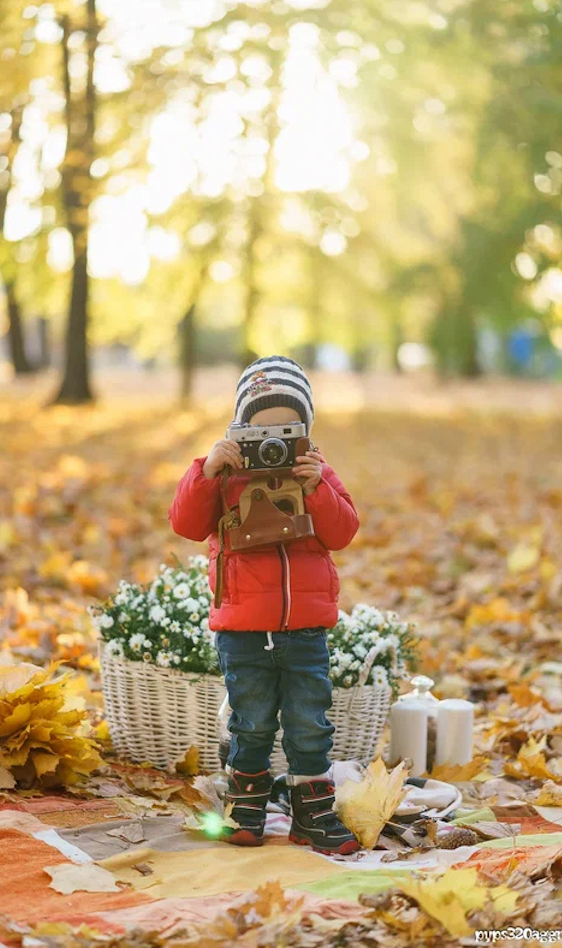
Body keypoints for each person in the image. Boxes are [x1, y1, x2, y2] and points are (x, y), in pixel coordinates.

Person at [169, 356, 361, 855]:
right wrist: (207, 470)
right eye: (260, 432)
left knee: (309, 723)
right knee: (250, 721)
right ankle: (246, 808)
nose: (273, 444)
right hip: (244, 629)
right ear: (240, 429)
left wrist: (317, 487)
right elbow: (186, 524)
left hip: (305, 630)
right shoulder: (225, 474)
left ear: (306, 432)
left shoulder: (316, 474)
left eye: (287, 431)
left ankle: (312, 814)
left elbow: (343, 532)